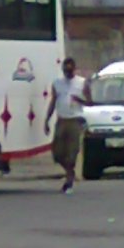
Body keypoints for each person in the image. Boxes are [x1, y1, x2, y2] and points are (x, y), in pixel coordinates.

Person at [45, 58, 91, 194]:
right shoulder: (57, 83)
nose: (68, 73)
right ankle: (69, 172)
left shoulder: (81, 83)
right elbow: (53, 101)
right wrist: (47, 120)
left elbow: (90, 101)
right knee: (57, 153)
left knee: (72, 152)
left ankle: (69, 180)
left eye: (70, 70)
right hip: (61, 119)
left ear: (74, 70)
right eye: (65, 70)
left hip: (75, 120)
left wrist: (79, 100)